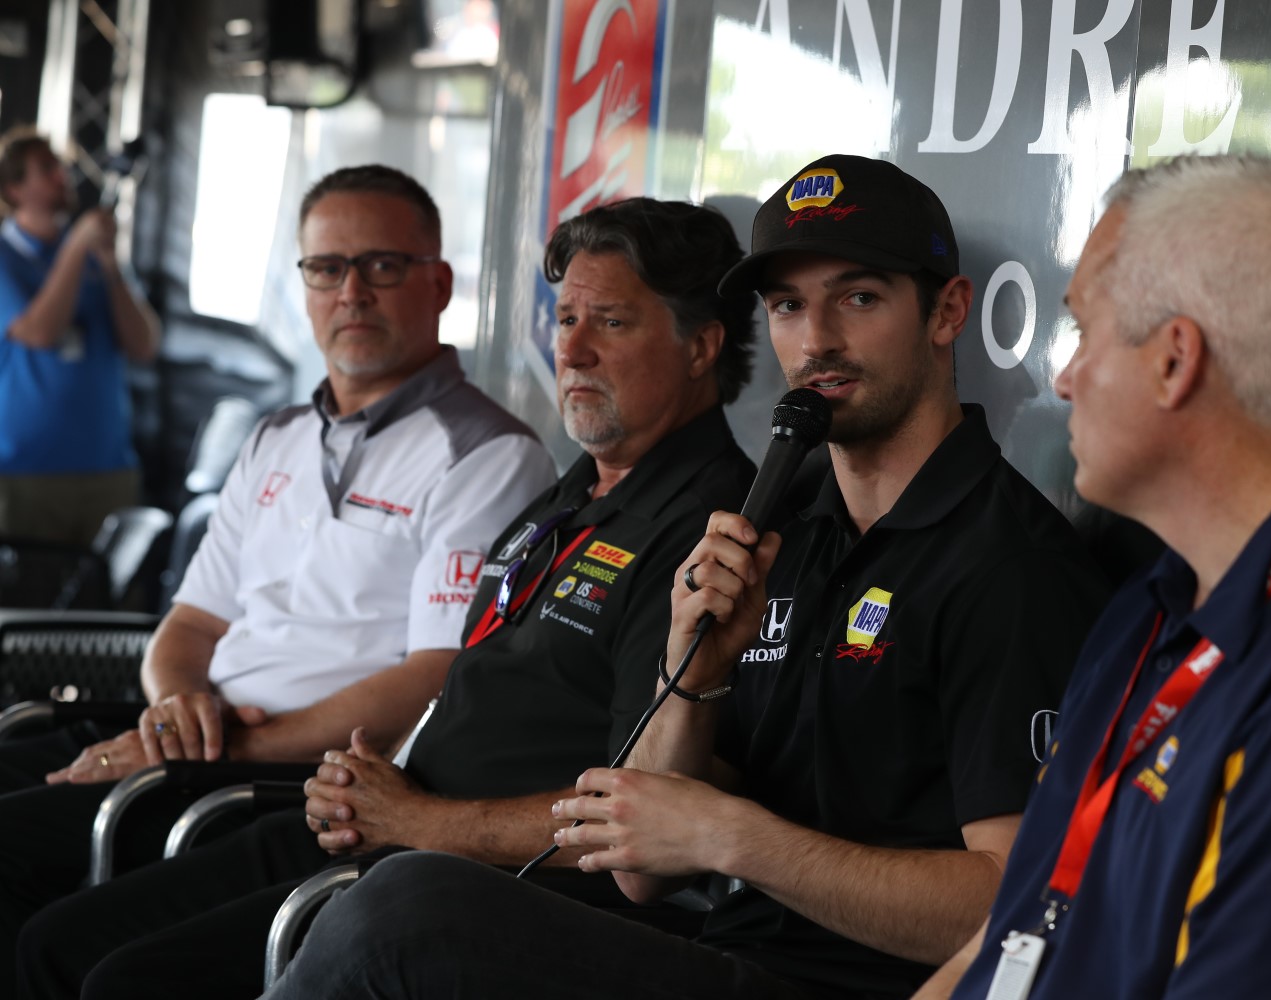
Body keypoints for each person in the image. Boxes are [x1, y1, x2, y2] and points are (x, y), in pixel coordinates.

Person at [261, 154, 1112, 1000]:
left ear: (947, 311)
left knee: (412, 908)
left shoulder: (1010, 563)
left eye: (858, 298)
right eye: (787, 306)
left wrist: (737, 840)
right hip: (722, 949)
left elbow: (1018, 905)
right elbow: (642, 871)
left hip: (857, 983)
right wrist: (691, 671)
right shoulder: (782, 527)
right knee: (384, 904)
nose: (816, 340)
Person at [16, 196, 760, 1000]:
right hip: (378, 821)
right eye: (565, 317)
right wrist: (364, 780)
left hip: (476, 877)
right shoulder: (572, 494)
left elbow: (641, 817)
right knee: (66, 944)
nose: (570, 350)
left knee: (128, 982)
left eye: (609, 323)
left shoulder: (708, 532)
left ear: (701, 347)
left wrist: (416, 820)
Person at [919, 155, 1271, 999]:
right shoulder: (1156, 601)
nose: (1064, 375)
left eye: (1084, 330)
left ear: (1174, 360)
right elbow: (1015, 931)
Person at [0, 164, 556, 988]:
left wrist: (214, 744)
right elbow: (186, 628)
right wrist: (176, 708)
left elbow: (431, 680)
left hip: (296, 776)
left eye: (383, 265)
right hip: (193, 740)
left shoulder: (488, 454)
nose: (352, 292)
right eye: (327, 268)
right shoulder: (276, 436)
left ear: (438, 284)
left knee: (53, 934)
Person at [0, 127, 161, 547]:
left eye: (59, 165)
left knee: (109, 606)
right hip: (26, 472)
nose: (62, 176)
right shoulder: (6, 258)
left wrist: (111, 268)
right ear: (15, 189)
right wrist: (75, 249)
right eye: (46, 169)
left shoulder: (92, 252)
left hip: (107, 465)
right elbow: (38, 333)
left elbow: (144, 345)